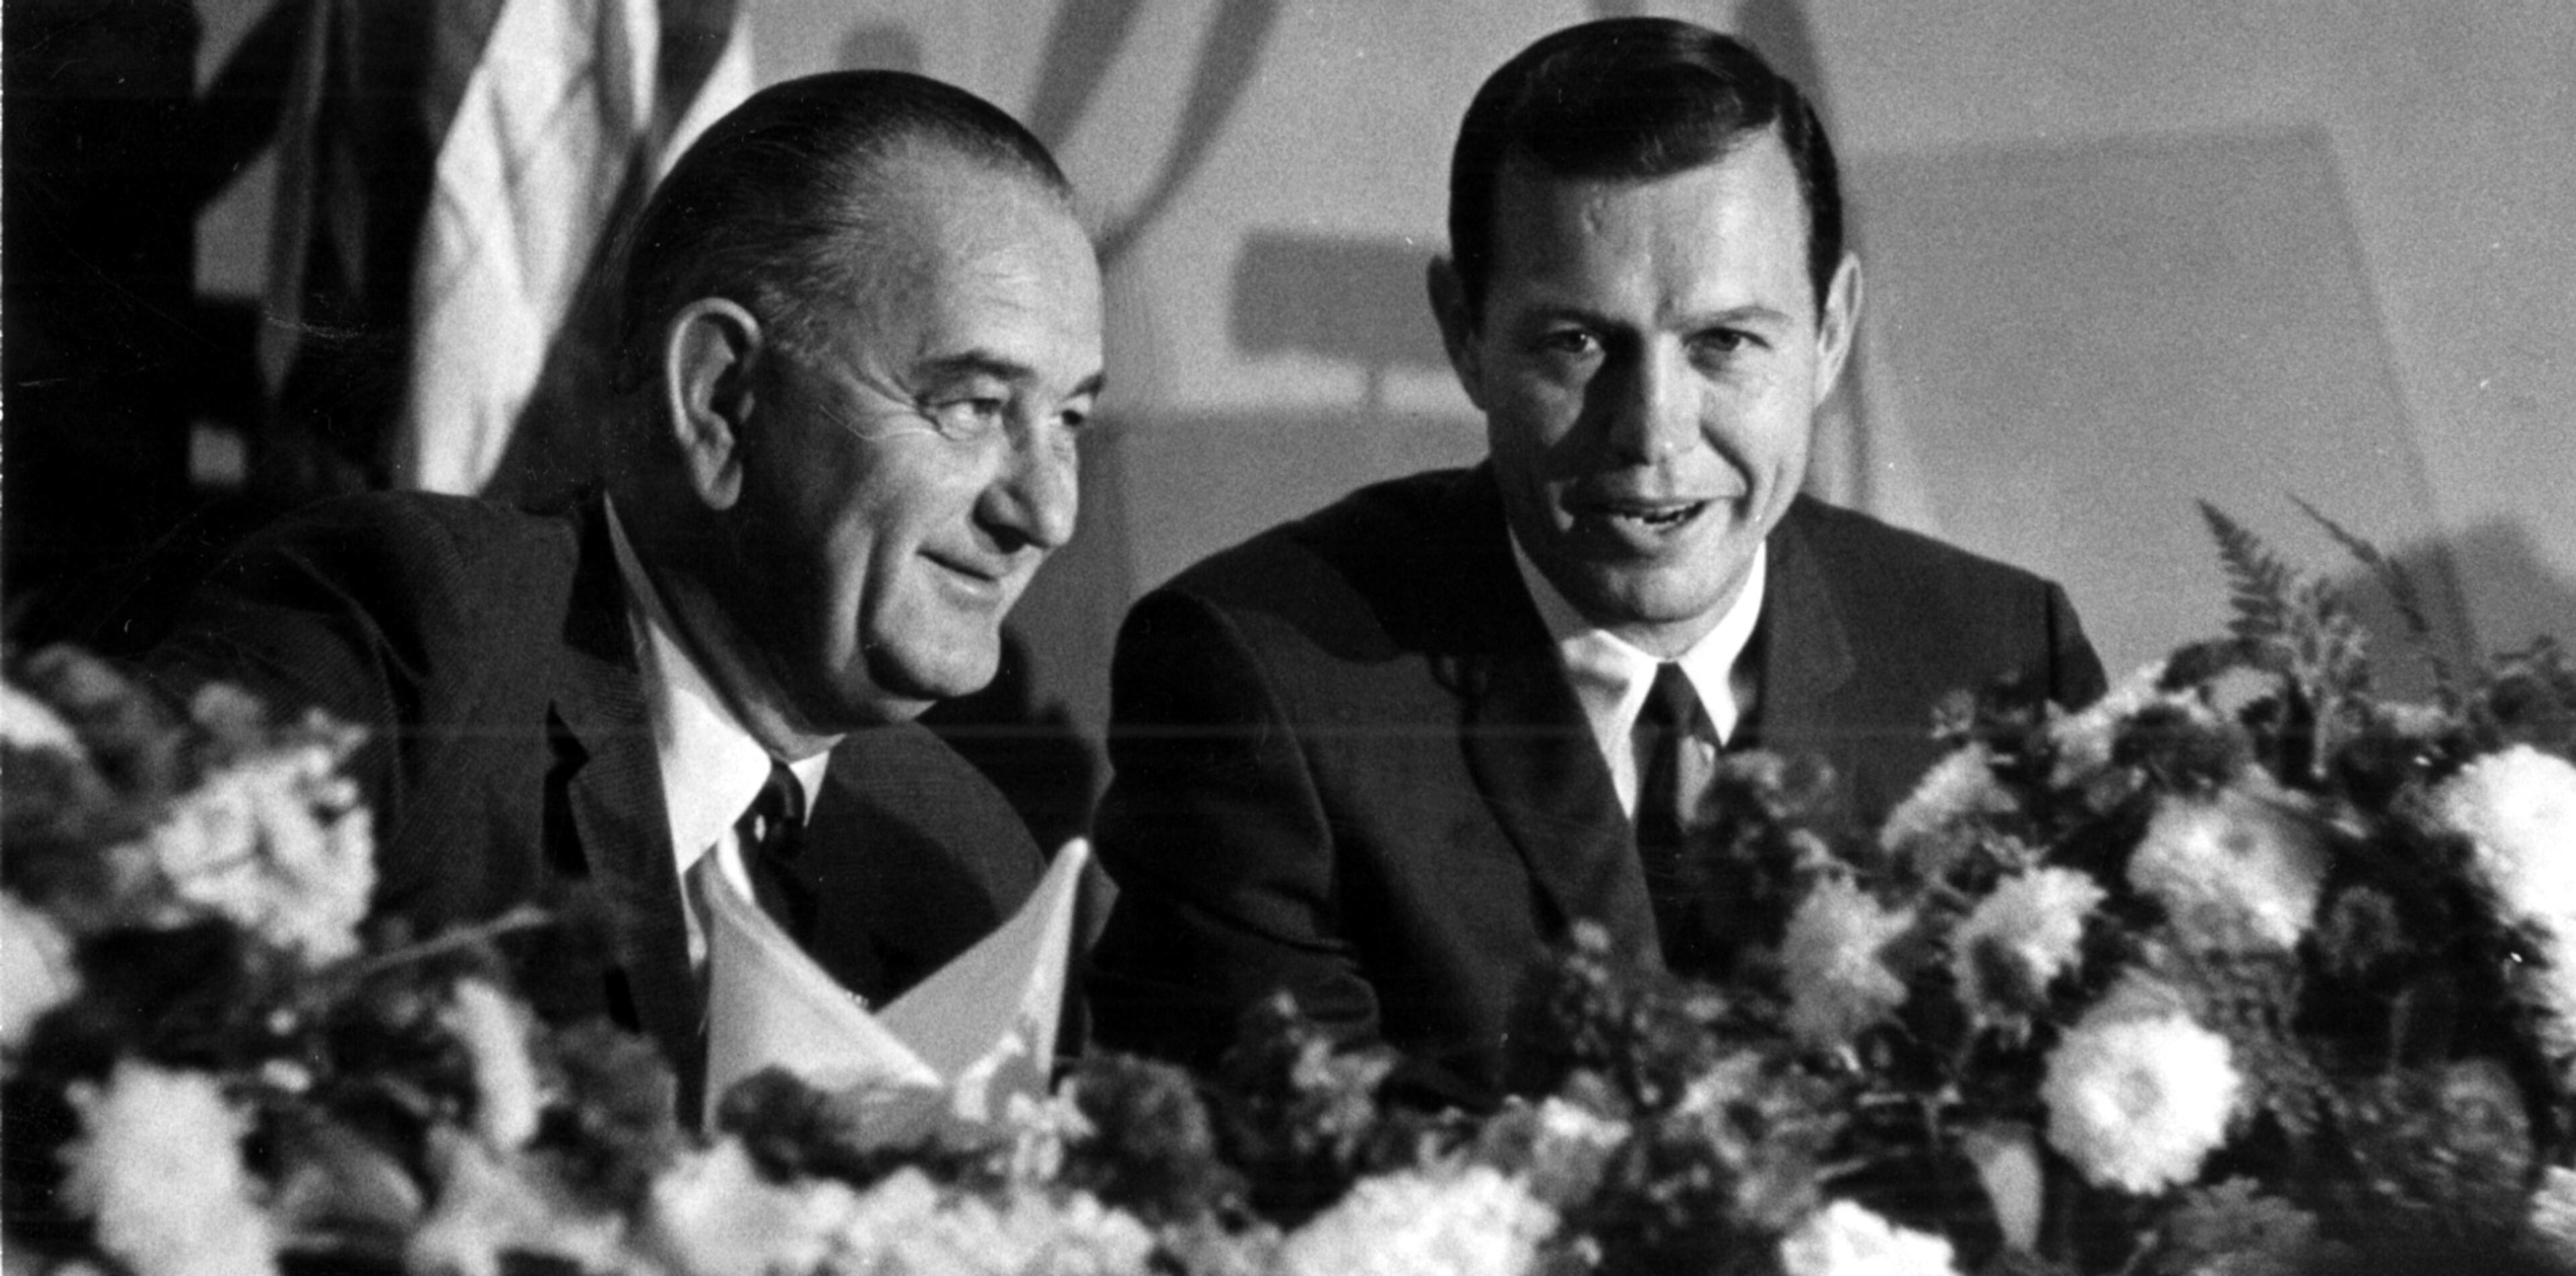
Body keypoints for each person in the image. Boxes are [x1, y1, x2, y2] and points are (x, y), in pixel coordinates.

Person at [1087, 17, 2105, 1100]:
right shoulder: (1260, 685)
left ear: (1833, 331)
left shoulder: (2004, 660)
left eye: (1725, 342)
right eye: (1576, 343)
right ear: (1465, 331)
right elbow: (1278, 1191)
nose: (1653, 431)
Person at [145, 70, 1104, 1101]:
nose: (1046, 512)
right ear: (723, 398)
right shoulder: (410, 646)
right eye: (973, 404)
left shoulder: (966, 867)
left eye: (1070, 422)